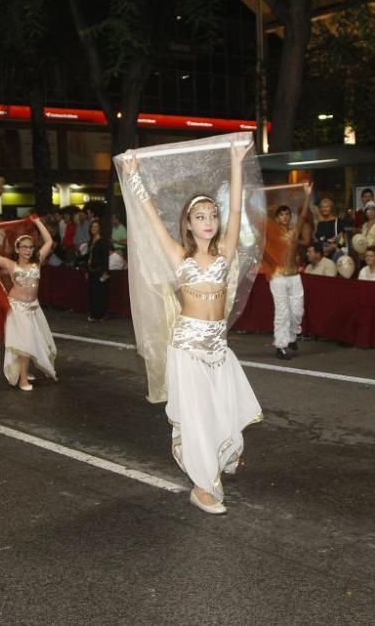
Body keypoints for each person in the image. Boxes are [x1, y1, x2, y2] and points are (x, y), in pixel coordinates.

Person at [121, 138, 262, 515]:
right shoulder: (178, 254)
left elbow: (235, 205)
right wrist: (135, 178)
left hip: (218, 346)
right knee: (199, 416)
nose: (209, 222)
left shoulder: (225, 251)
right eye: (200, 216)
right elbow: (149, 216)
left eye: (211, 216)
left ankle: (213, 466)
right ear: (187, 223)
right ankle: (203, 487)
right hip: (187, 346)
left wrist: (235, 161)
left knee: (222, 411)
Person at [0, 216, 57, 391]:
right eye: (24, 247)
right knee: (25, 342)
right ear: (18, 249)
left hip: (34, 308)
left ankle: (24, 370)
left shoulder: (37, 262)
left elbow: (49, 241)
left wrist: (37, 222)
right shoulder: (11, 265)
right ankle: (23, 380)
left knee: (36, 340)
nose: (28, 250)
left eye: (30, 247)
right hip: (17, 308)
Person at [266, 191, 312, 360]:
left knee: (298, 311)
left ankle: (292, 337)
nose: (285, 217)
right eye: (281, 214)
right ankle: (281, 345)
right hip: (278, 276)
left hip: (294, 275)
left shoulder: (294, 231)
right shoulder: (271, 232)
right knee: (282, 312)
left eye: (287, 214)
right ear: (276, 218)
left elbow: (304, 214)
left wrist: (307, 195)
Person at [86, 218, 110, 322]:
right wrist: (86, 270)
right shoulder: (90, 241)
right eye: (92, 226)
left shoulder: (103, 241)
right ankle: (93, 314)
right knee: (92, 293)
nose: (93, 228)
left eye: (96, 226)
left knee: (99, 293)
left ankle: (100, 315)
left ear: (99, 228)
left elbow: (105, 257)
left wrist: (105, 272)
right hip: (91, 270)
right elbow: (89, 257)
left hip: (100, 270)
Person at [313, 197, 348, 262]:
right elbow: (318, 239)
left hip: (335, 256)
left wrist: (332, 247)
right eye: (322, 207)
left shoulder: (339, 222)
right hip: (322, 257)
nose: (324, 209)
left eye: (327, 207)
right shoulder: (320, 224)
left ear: (331, 208)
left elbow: (342, 239)